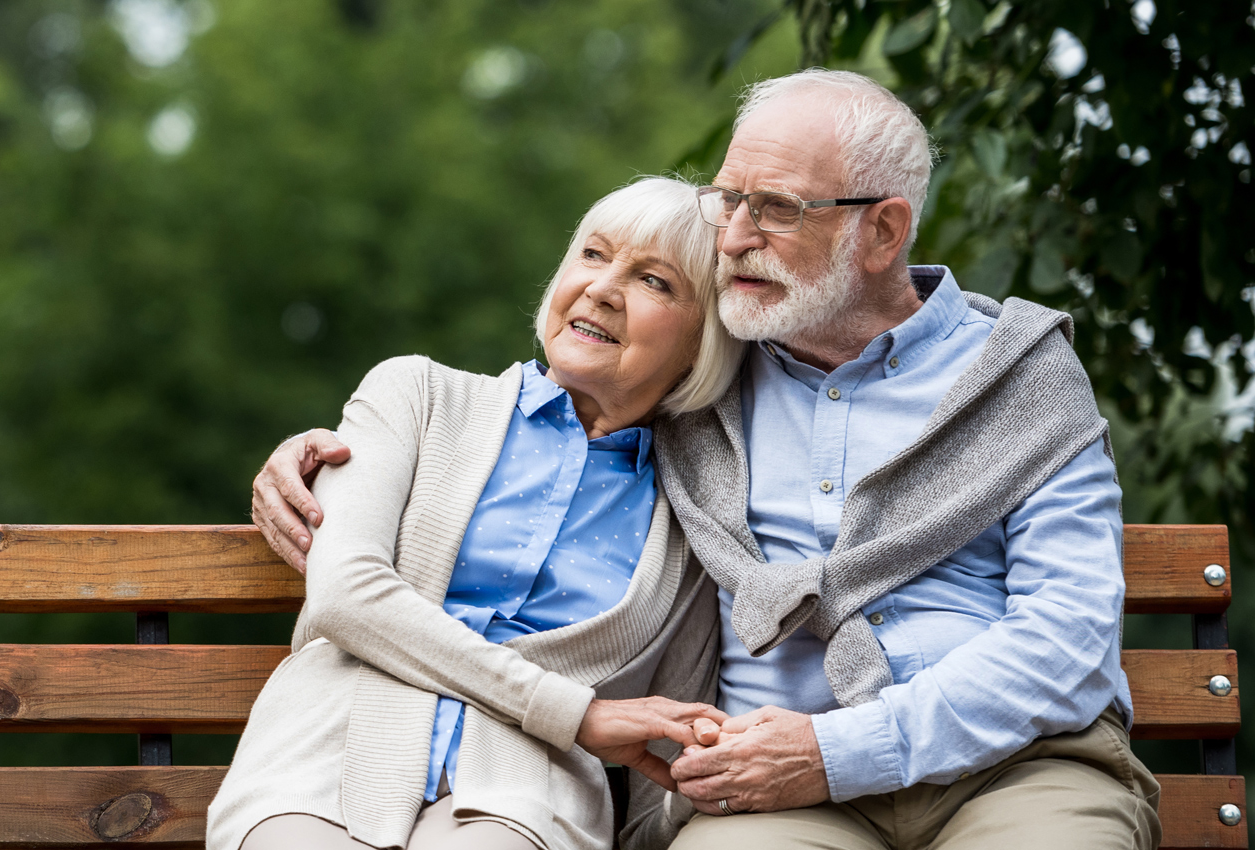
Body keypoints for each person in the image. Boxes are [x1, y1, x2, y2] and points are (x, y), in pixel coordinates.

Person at [251, 69, 1163, 850]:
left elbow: (1068, 637)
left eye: (774, 210)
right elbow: (565, 405)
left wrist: (836, 751)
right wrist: (325, 457)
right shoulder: (706, 381)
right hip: (767, 788)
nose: (731, 238)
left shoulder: (1021, 375)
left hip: (1016, 766)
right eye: (728, 201)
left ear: (884, 232)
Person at [208, 176, 748, 850]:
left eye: (655, 282)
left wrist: (698, 788)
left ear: (705, 340)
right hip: (324, 757)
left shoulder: (691, 518)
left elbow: (658, 776)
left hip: (524, 803)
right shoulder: (416, 396)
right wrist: (575, 714)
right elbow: (346, 594)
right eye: (592, 254)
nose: (603, 289)